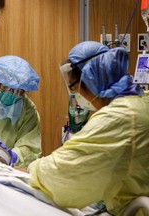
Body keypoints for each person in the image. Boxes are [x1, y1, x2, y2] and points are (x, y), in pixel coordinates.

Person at [28, 41, 148, 216]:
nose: (76, 95)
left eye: (74, 87)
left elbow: (64, 174)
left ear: (90, 78)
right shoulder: (140, 101)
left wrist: (31, 170)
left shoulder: (119, 117)